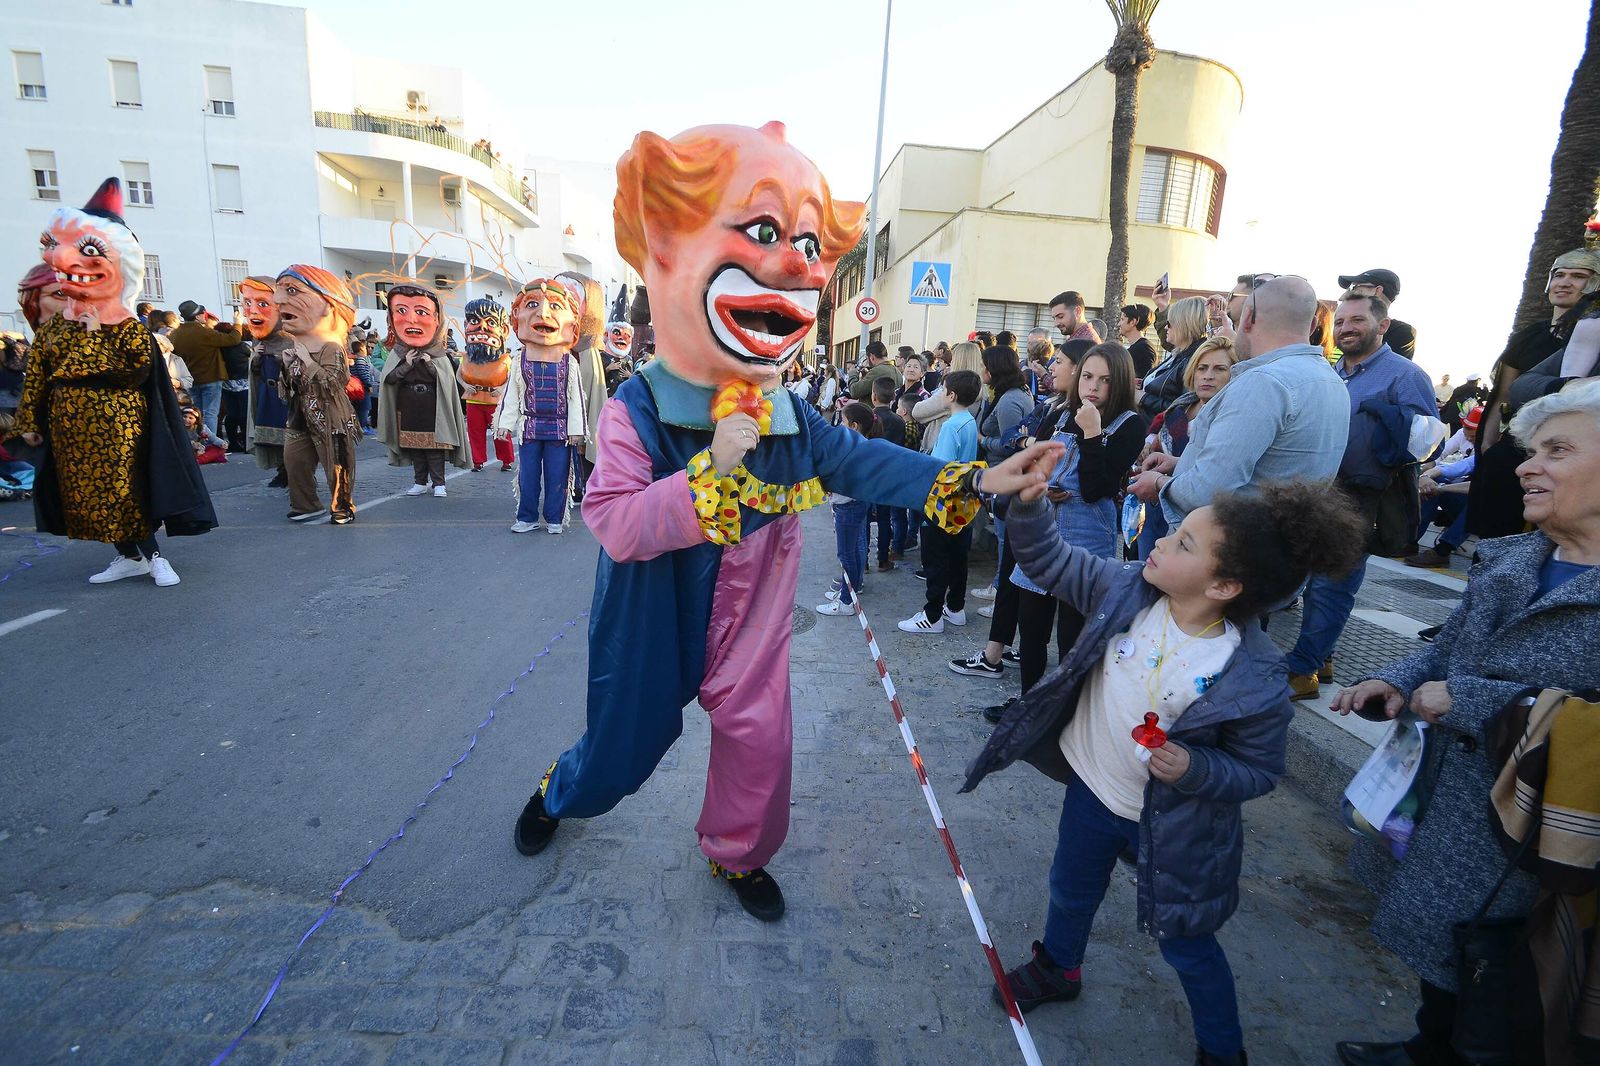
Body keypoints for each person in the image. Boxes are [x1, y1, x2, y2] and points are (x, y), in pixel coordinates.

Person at [511, 122, 988, 922]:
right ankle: (561, 793)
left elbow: (860, 461)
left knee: (760, 743)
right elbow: (619, 526)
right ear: (665, 241)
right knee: (622, 751)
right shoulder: (639, 408)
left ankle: (735, 856)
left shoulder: (789, 411)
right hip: (652, 611)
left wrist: (973, 478)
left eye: (808, 243)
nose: (796, 264)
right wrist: (712, 472)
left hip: (753, 613)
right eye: (766, 232)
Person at [966, 443, 1364, 1066]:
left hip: (1178, 825)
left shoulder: (1254, 674)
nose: (1163, 539)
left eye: (1183, 543)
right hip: (1094, 792)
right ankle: (1059, 968)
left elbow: (1260, 771)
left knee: (1187, 941)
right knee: (1070, 890)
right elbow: (1048, 561)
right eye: (1176, 529)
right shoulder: (1125, 589)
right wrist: (1031, 506)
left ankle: (1221, 1049)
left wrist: (1197, 768)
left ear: (1224, 585)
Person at [1329, 379, 1600, 1066]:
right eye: (1530, 450)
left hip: (1535, 831)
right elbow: (1450, 643)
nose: (1526, 466)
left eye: (1557, 451)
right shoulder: (1516, 557)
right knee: (1448, 945)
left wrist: (1472, 701)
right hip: (1450, 800)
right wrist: (1396, 679)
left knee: (1500, 969)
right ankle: (1429, 1047)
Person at [9, 178, 216, 585]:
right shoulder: (54, 330)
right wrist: (29, 424)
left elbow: (132, 372)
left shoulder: (124, 328)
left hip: (120, 428)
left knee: (126, 492)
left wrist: (91, 337)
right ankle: (127, 556)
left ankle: (154, 557)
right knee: (87, 498)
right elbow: (38, 375)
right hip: (70, 428)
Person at [1284, 292, 1440, 698]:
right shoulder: (1331, 371)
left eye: (1357, 320)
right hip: (1318, 489)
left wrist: (1388, 425)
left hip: (1362, 497)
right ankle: (1322, 655)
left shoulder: (1405, 375)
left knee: (1331, 585)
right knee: (1310, 579)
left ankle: (1302, 671)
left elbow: (1429, 443)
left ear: (1382, 326)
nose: (1346, 328)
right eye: (1341, 322)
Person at [1131, 277, 1349, 532]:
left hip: (1231, 548)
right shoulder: (1332, 380)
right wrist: (1181, 463)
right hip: (1283, 545)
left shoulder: (1263, 382)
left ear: (1247, 319)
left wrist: (1157, 483)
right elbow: (1269, 466)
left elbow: (1206, 490)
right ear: (1312, 325)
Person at [1004, 342, 1146, 698]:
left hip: (1087, 535)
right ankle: (1029, 707)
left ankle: (1066, 716)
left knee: (1073, 636)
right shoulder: (1059, 413)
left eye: (1104, 380)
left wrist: (1094, 435)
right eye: (1087, 377)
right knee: (1032, 629)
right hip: (1044, 529)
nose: (1093, 388)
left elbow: (1096, 488)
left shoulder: (1131, 425)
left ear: (1121, 383)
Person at [1467, 249, 1600, 540]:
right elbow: (1506, 392)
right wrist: (1489, 448)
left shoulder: (1592, 329)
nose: (1565, 283)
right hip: (1515, 448)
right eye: (1559, 274)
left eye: (1578, 276)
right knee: (1494, 538)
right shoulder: (1530, 336)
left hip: (1576, 456)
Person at [1134, 337, 1240, 559]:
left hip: (1192, 518)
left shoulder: (1232, 419)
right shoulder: (1180, 405)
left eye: (1219, 369)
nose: (1208, 375)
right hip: (1153, 507)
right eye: (1202, 368)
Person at [496, 278, 586, 534]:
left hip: (559, 430)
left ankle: (555, 519)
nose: (543, 313)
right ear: (517, 316)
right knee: (528, 476)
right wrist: (504, 424)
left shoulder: (570, 363)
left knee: (558, 477)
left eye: (555, 307)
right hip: (530, 427)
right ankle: (527, 517)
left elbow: (576, 399)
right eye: (532, 304)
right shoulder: (518, 361)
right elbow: (511, 396)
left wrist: (576, 430)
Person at [275, 265, 363, 525]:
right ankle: (305, 504)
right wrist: (288, 364)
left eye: (292, 291)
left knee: (337, 465)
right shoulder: (296, 348)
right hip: (300, 416)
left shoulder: (332, 347)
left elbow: (334, 382)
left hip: (331, 418)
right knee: (294, 462)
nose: (278, 301)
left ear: (328, 305)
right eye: (279, 293)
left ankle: (342, 507)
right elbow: (287, 389)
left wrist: (306, 361)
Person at [898, 369, 983, 634]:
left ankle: (932, 614)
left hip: (943, 501)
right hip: (963, 499)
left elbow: (941, 468)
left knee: (935, 557)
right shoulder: (969, 421)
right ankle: (955, 608)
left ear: (951, 395)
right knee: (958, 555)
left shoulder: (950, 425)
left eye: (943, 390)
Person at [376, 281, 471, 498]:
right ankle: (420, 481)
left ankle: (439, 483)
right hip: (409, 407)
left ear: (436, 319)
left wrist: (428, 364)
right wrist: (407, 364)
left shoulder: (440, 354)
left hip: (433, 407)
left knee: (434, 449)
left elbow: (448, 383)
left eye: (421, 311)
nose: (411, 319)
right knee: (416, 448)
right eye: (401, 311)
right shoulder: (398, 354)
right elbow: (389, 380)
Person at [816, 401, 877, 615]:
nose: (838, 426)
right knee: (857, 547)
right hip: (855, 504)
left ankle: (845, 602)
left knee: (846, 554)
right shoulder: (863, 445)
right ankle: (850, 589)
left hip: (847, 507)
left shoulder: (851, 449)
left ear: (853, 426)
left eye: (842, 422)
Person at [240, 275, 292, 488]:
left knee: (292, 437)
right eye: (247, 303)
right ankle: (282, 470)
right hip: (267, 394)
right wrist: (257, 357)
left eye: (262, 304)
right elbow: (255, 370)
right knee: (272, 438)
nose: (253, 310)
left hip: (287, 397)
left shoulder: (291, 336)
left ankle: (295, 472)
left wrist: (283, 360)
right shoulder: (259, 339)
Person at [168, 300, 239, 450]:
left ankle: (197, 443)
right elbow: (233, 339)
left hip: (190, 379)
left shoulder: (175, 334)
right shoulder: (204, 332)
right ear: (197, 316)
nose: (204, 316)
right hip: (211, 377)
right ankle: (209, 445)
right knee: (210, 413)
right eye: (202, 314)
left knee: (195, 413)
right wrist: (237, 323)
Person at [458, 296, 515, 471]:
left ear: (503, 329)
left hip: (494, 402)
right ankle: (477, 461)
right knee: (475, 434)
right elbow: (458, 375)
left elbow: (511, 380)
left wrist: (501, 389)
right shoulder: (466, 357)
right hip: (473, 401)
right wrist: (465, 386)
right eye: (474, 320)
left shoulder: (506, 359)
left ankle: (506, 461)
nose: (481, 327)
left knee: (501, 432)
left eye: (490, 322)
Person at [1138, 296, 1206, 420]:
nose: (1165, 327)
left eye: (1169, 324)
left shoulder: (1194, 361)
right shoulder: (1179, 353)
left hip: (1158, 435)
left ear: (1184, 325)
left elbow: (1185, 410)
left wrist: (1143, 398)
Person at [912, 340, 982, 455]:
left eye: (953, 358)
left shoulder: (950, 426)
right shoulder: (978, 394)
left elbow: (917, 412)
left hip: (936, 455)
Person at [868, 376, 908, 571]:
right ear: (893, 396)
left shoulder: (867, 418)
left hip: (868, 476)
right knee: (885, 519)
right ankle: (883, 559)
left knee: (865, 520)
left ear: (873, 396)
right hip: (889, 474)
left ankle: (864, 562)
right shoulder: (899, 421)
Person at [1336, 268, 1417, 359]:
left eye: (1353, 287)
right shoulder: (1341, 326)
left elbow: (1389, 369)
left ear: (1377, 290)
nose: (1342, 296)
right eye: (1339, 322)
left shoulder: (1401, 332)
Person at [1118, 303, 1157, 378]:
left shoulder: (1144, 349)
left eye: (1122, 319)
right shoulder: (1139, 347)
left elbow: (1144, 381)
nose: (1118, 324)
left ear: (1133, 322)